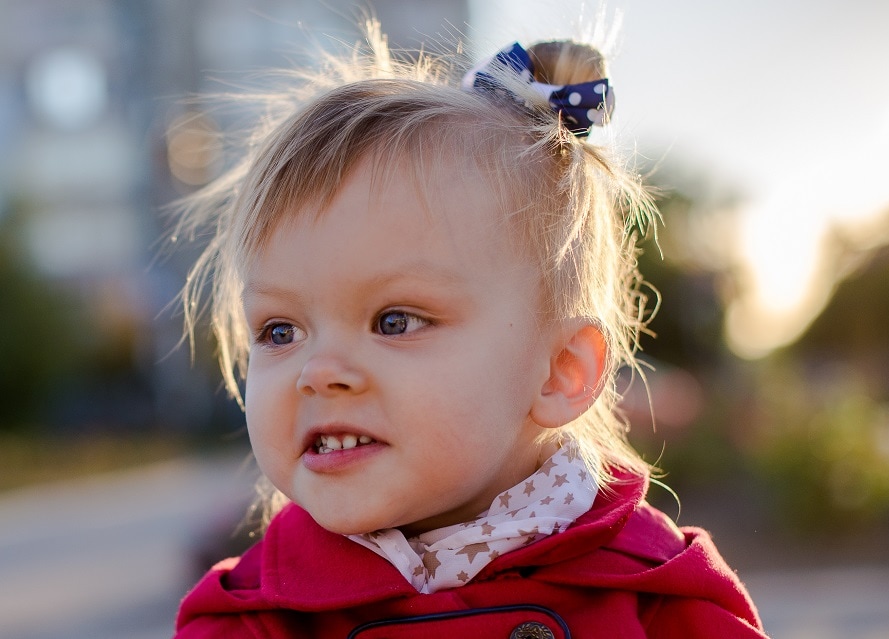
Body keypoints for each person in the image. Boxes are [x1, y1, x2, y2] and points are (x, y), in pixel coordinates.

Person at [171, 20, 769, 639]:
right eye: (279, 331)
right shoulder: (256, 619)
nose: (318, 372)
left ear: (561, 370)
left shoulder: (657, 597)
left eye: (394, 321)